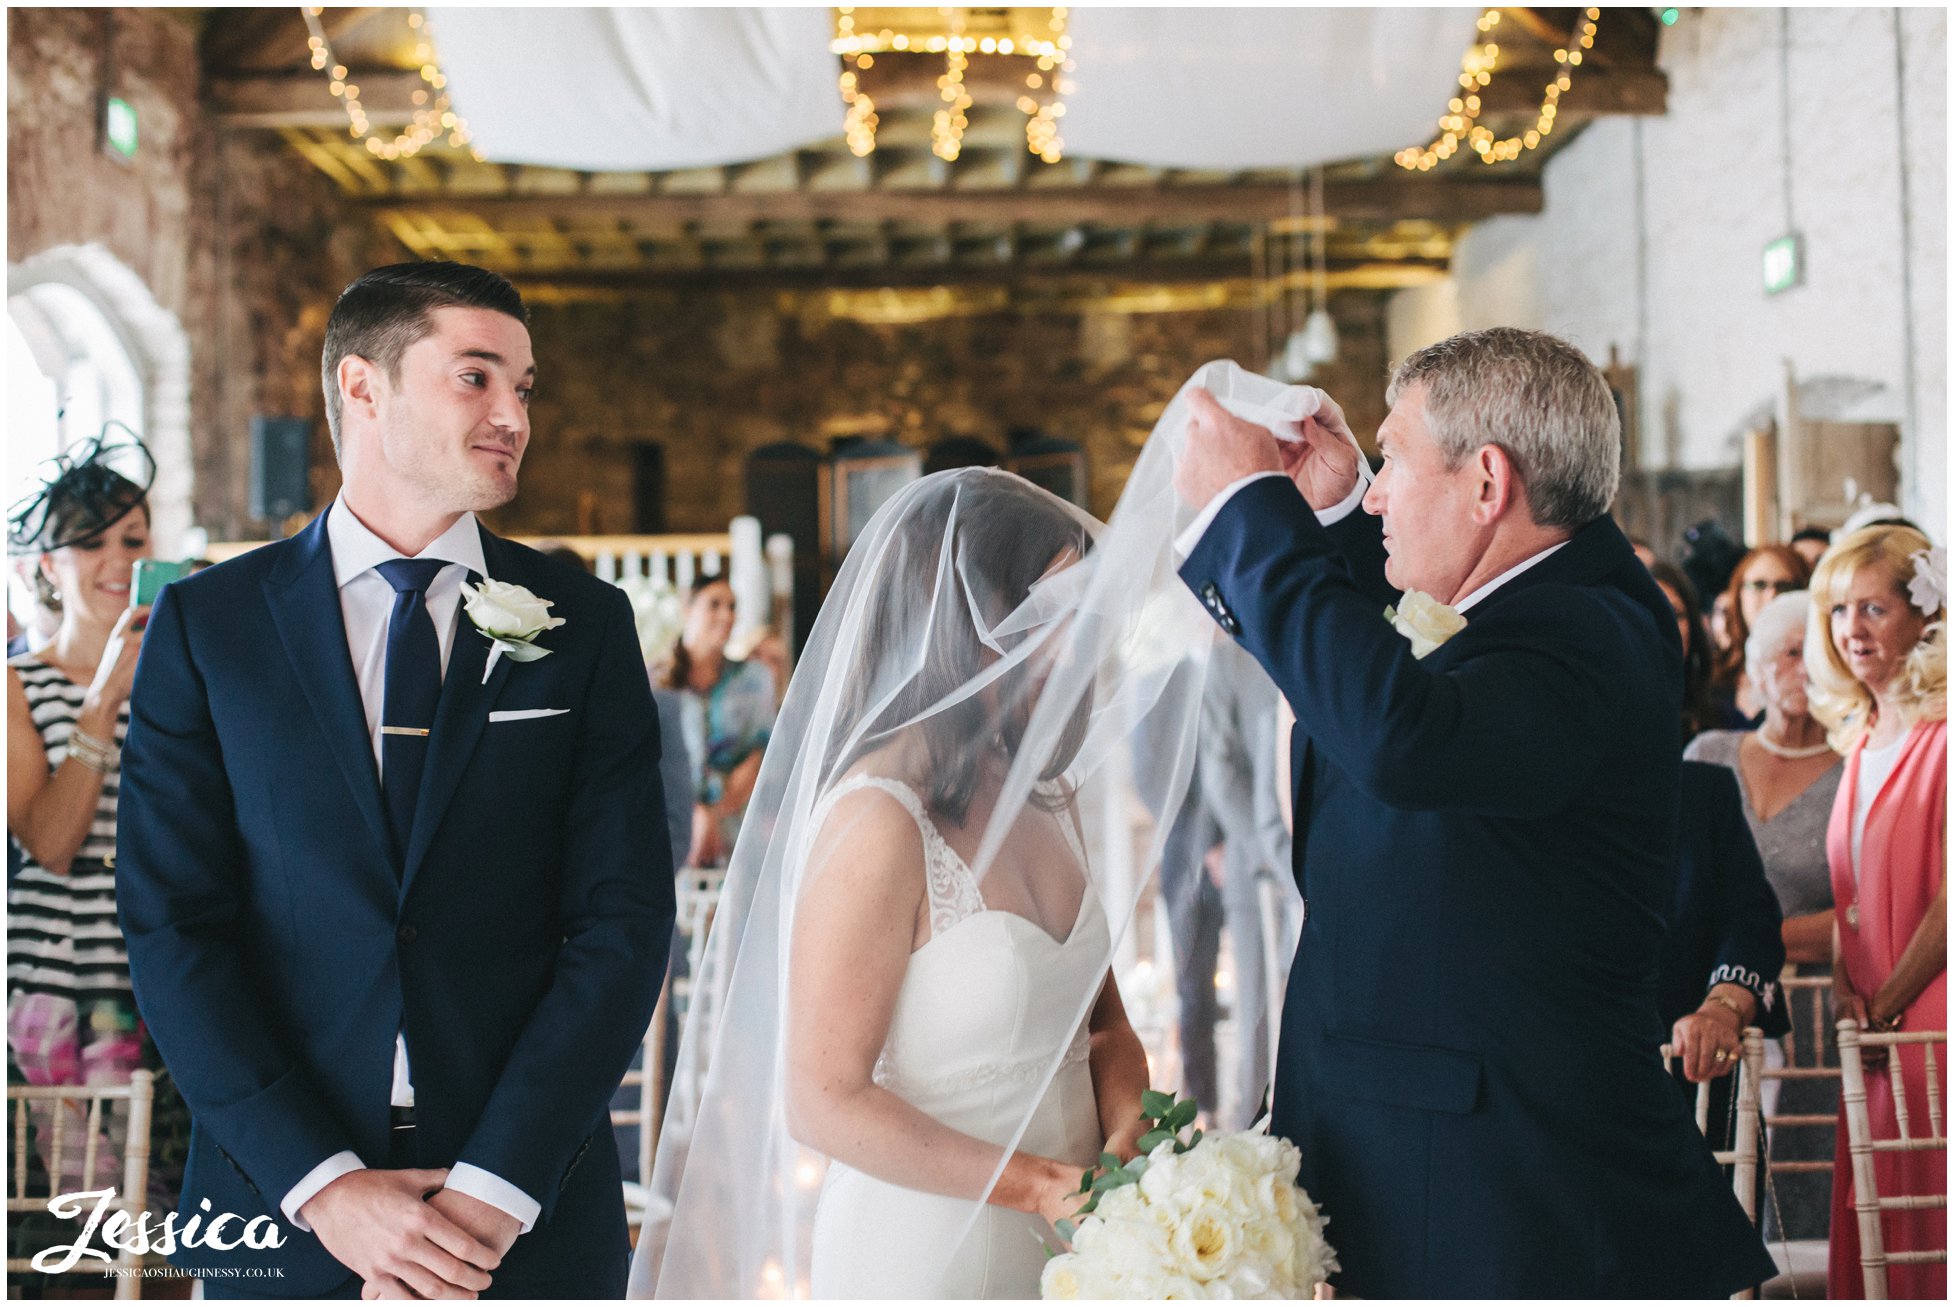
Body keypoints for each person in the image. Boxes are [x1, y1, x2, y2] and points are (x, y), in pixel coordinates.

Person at [1173, 326, 1774, 1295]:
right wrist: (1331, 519)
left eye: (1393, 461)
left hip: (1511, 1197)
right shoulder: (1536, 608)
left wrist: (1253, 515)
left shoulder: (1593, 632)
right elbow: (1413, 679)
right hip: (1426, 1164)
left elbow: (1403, 736)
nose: (1376, 488)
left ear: (1487, 483)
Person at [117, 261, 676, 1298]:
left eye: (525, 386)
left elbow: (623, 920)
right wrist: (324, 1186)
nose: (514, 412)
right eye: (476, 377)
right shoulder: (212, 628)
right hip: (277, 1204)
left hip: (525, 1209)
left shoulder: (584, 625)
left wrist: (491, 1192)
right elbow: (172, 922)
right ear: (361, 387)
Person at [637, 468, 1185, 1300]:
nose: (1076, 643)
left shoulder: (1043, 789)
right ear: (963, 623)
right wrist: (1038, 1183)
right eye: (1048, 615)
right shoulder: (875, 817)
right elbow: (823, 1099)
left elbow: (1105, 1025)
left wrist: (1127, 1135)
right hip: (935, 1251)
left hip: (1082, 1237)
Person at [5, 431, 189, 1210]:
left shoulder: (180, 682)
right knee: (63, 1236)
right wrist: (103, 696)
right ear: (49, 566)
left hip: (166, 979)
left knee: (175, 1229)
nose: (118, 559)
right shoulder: (17, 682)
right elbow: (47, 841)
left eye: (134, 539)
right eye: (91, 542)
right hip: (56, 989)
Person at [1806, 524, 1946, 1300]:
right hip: (1873, 1025)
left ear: (1925, 616)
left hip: (1930, 1019)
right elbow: (1847, 890)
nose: (1851, 629)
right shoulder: (1860, 738)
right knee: (1875, 1226)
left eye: (1874, 608)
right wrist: (1841, 990)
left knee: (1926, 1220)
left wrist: (1888, 1003)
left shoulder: (1947, 734)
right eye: (1837, 610)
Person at [1687, 589, 1844, 1240]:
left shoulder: (1855, 764)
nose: (1803, 667)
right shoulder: (1710, 754)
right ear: (1753, 666)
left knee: (1803, 1203)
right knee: (1716, 1183)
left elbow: (1869, 915)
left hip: (1820, 1015)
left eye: (1817, 654)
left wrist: (1749, 940)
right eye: (1787, 653)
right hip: (1707, 1009)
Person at [658, 575, 775, 867]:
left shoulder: (754, 680)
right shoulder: (653, 681)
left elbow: (761, 754)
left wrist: (715, 815)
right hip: (669, 827)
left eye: (732, 606)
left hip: (738, 832)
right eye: (714, 604)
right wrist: (695, 813)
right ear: (688, 609)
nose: (726, 615)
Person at [1714, 545, 1811, 722]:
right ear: (1739, 594)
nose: (1771, 596)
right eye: (1759, 585)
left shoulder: (1815, 671)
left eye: (1784, 586)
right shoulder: (1716, 672)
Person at [1649, 560, 1727, 740]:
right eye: (1650, 613)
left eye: (1675, 614)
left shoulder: (1723, 717)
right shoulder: (1602, 713)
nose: (1664, 626)